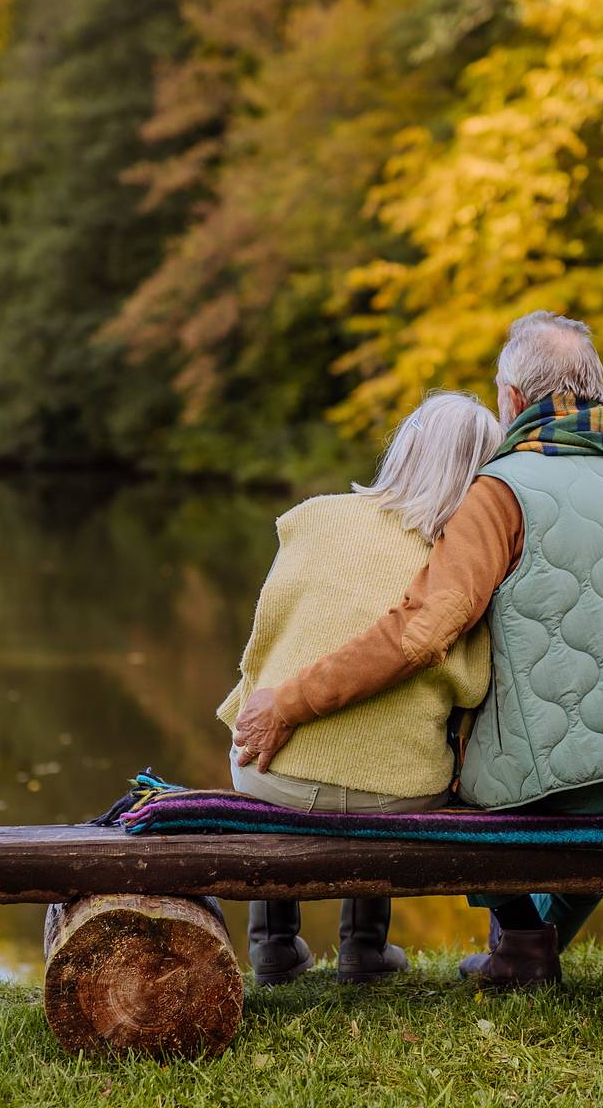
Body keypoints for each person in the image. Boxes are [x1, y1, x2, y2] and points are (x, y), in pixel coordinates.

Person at [234, 311, 603, 990]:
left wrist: (290, 702)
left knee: (474, 769)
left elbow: (423, 633)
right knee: (595, 760)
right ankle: (532, 946)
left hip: (565, 787)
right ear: (599, 391)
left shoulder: (502, 492)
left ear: (516, 401)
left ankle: (523, 943)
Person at [218, 391, 501, 986]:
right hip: (400, 799)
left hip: (276, 776)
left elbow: (265, 641)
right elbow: (472, 688)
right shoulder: (460, 568)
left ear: (405, 448)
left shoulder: (315, 517)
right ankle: (364, 950)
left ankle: (272, 943)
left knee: (258, 746)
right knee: (405, 747)